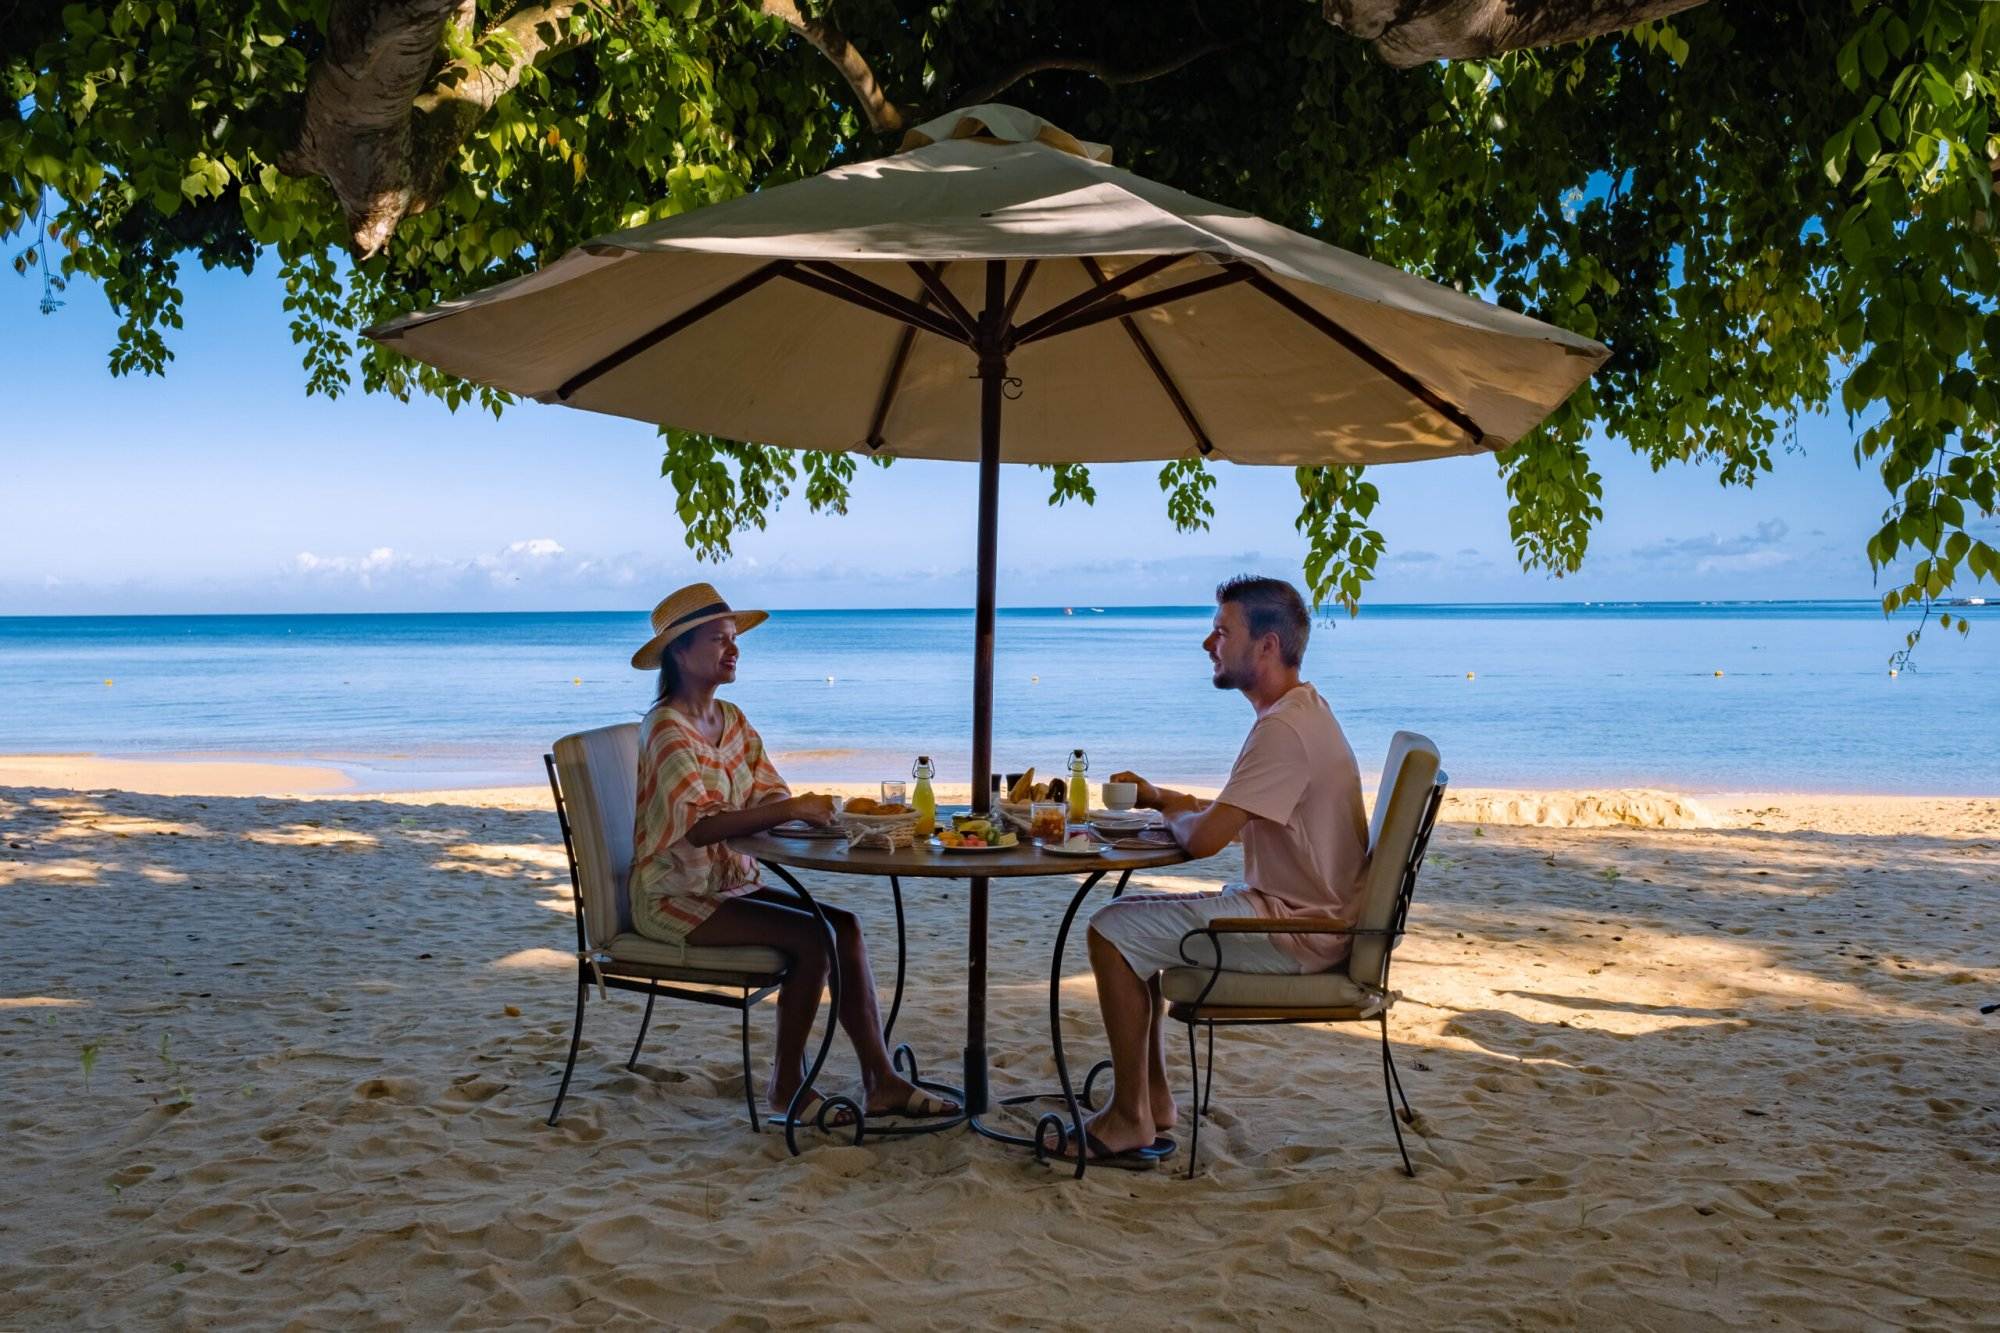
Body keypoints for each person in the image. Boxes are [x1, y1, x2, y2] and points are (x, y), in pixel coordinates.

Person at [629, 582, 958, 1127]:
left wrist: (796, 808)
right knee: (813, 938)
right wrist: (791, 810)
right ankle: (786, 1088)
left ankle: (881, 1081)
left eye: (735, 639)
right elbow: (703, 828)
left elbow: (769, 792)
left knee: (845, 926)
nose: (733, 650)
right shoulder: (666, 728)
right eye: (719, 640)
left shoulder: (730, 719)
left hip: (732, 883)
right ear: (680, 653)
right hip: (674, 896)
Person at [1078, 575, 1370, 1167]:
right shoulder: (1301, 711)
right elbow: (1227, 815)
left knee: (1109, 932)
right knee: (1133, 919)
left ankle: (1130, 1118)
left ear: (1266, 646)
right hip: (1307, 914)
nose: (1207, 643)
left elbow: (1209, 837)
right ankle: (1152, 1102)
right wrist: (1160, 801)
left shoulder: (1283, 730)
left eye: (1221, 631)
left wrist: (1175, 822)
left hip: (1296, 930)